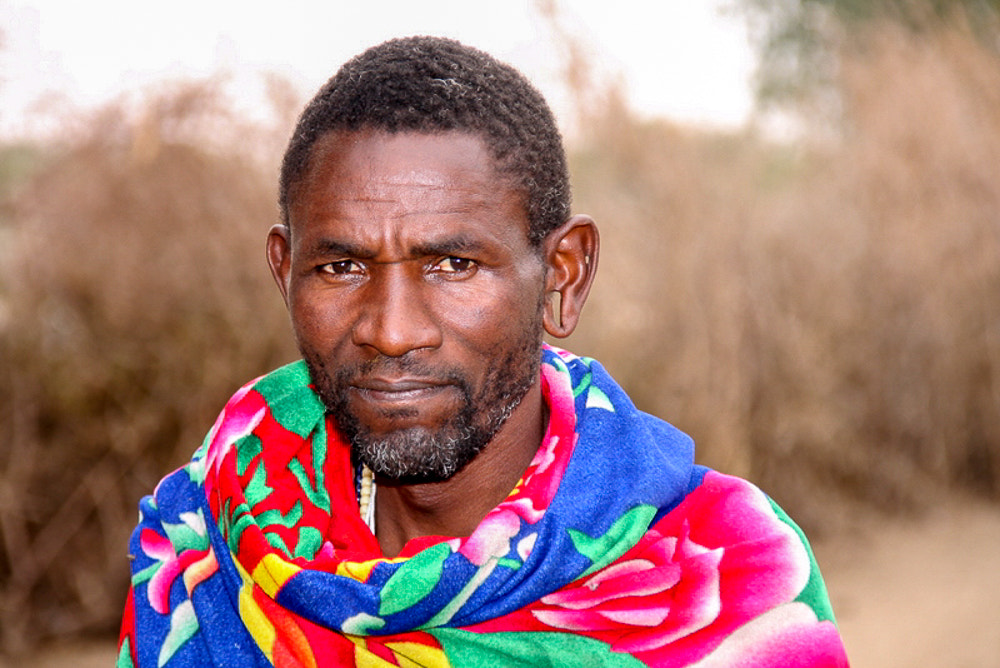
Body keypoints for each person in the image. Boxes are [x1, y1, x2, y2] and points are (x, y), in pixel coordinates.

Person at [117, 36, 849, 667]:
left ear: (564, 273)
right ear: (285, 272)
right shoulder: (210, 538)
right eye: (340, 267)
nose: (392, 330)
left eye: (454, 265)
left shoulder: (725, 573)